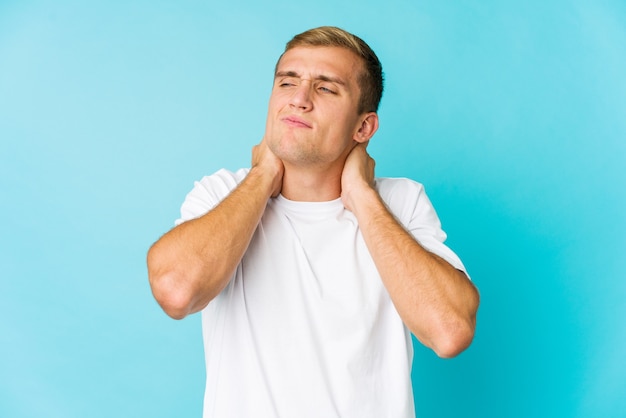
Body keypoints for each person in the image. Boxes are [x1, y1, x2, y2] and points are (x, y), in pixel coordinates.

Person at [147, 26, 479, 418]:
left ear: (363, 128)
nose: (299, 100)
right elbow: (176, 291)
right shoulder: (221, 193)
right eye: (287, 83)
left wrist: (361, 195)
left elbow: (449, 331)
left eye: (326, 88)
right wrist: (262, 177)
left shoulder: (400, 202)